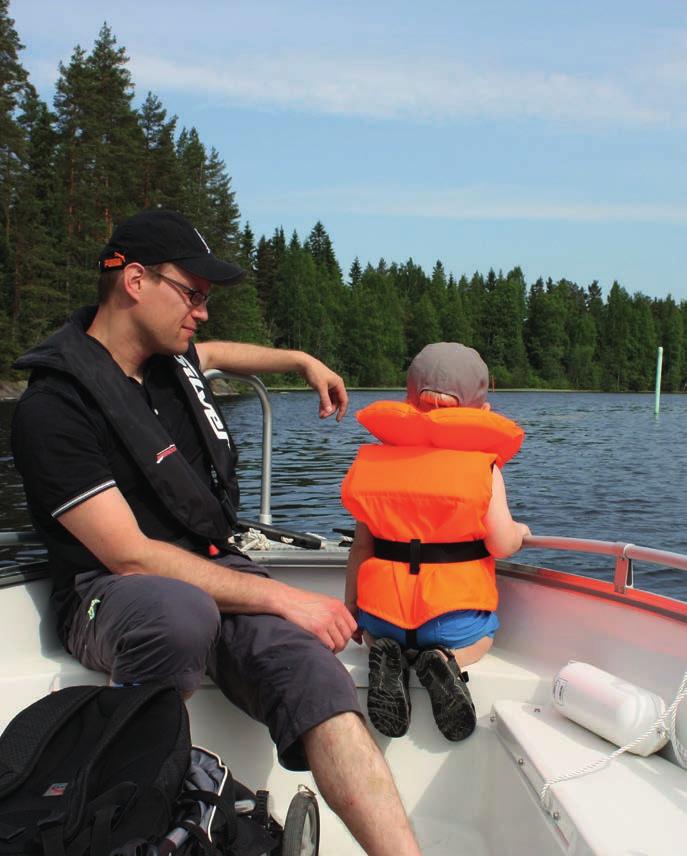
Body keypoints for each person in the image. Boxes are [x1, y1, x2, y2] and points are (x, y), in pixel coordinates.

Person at [11, 209, 421, 856]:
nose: (202, 312)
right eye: (192, 293)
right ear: (135, 281)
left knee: (316, 676)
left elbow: (222, 354)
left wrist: (301, 360)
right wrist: (284, 597)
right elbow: (128, 554)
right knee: (177, 613)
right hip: (109, 590)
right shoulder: (54, 407)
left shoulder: (168, 363)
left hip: (210, 571)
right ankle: (140, 804)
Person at [341, 342, 530, 742]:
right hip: (453, 620)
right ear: (482, 411)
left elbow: (361, 548)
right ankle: (446, 661)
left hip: (382, 619)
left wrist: (354, 609)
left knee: (381, 636)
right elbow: (500, 543)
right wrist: (522, 534)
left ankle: (387, 656)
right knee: (486, 634)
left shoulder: (378, 463)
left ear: (408, 400)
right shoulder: (482, 466)